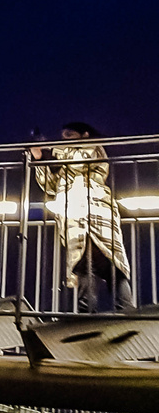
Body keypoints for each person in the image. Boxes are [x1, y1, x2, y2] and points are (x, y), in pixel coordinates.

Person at [31, 124, 134, 311]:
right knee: (83, 265)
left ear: (84, 135)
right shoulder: (65, 167)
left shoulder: (93, 148)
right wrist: (39, 158)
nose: (64, 140)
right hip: (74, 220)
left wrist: (50, 148)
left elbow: (78, 162)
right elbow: (49, 185)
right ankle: (87, 315)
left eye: (69, 135)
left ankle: (126, 311)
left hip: (96, 212)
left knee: (113, 265)